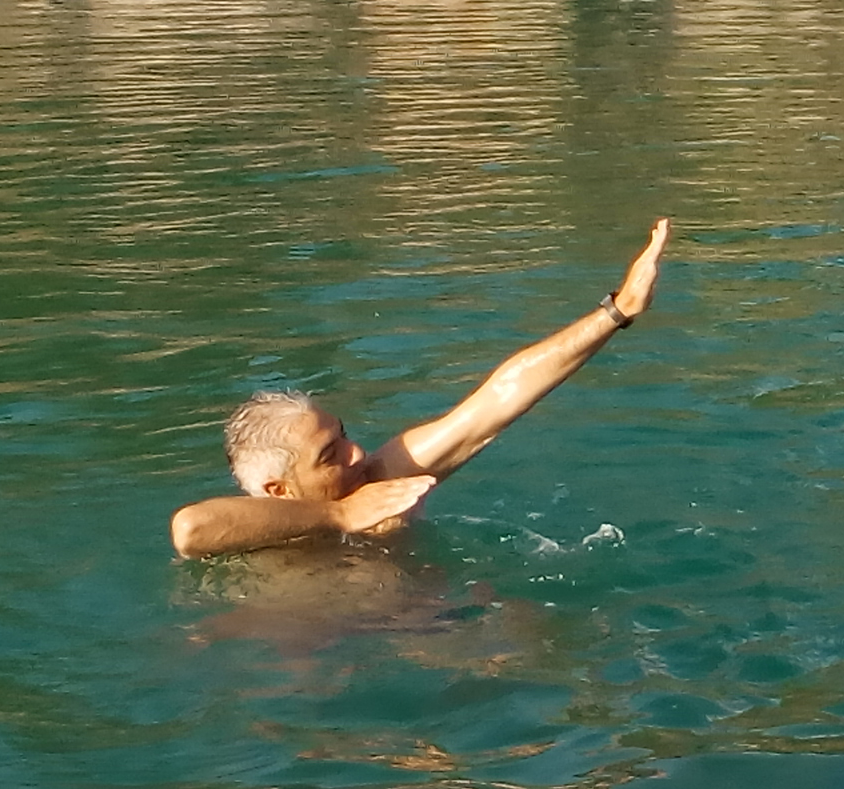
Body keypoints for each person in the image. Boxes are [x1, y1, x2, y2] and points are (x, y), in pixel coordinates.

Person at [169, 219, 674, 559]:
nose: (356, 452)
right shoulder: (249, 535)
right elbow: (191, 530)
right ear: (278, 490)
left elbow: (497, 400)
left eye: (342, 435)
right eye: (329, 455)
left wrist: (617, 311)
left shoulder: (380, 480)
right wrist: (339, 514)